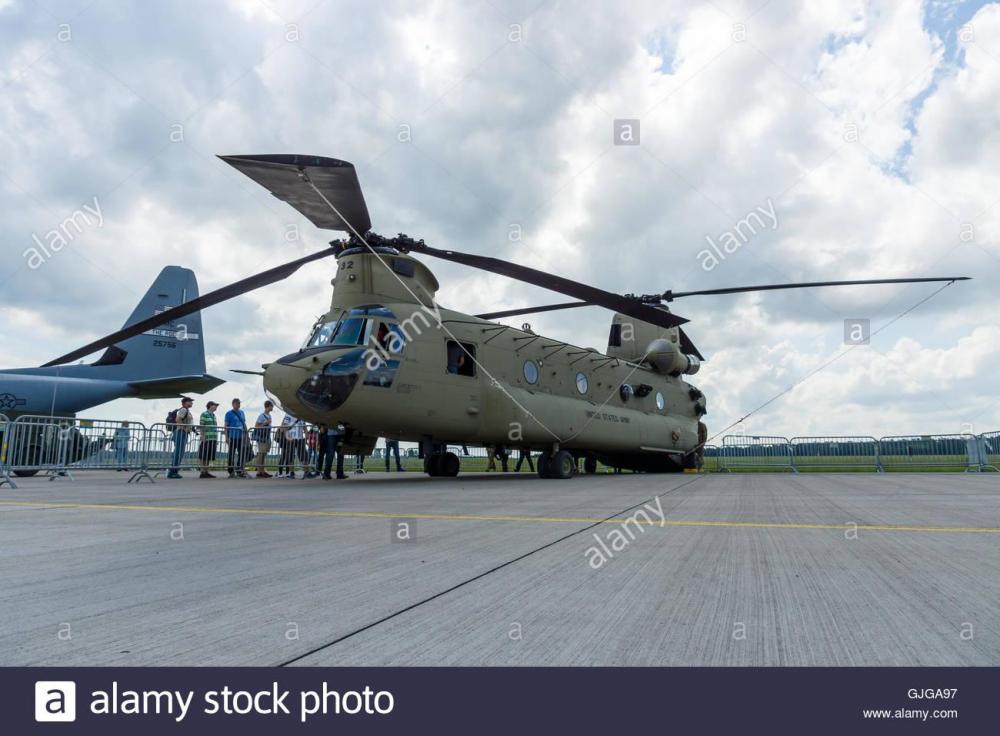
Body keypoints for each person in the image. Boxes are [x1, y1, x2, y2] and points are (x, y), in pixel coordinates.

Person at [167, 396, 195, 479]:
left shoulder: (186, 410)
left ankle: (174, 471)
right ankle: (172, 472)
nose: (191, 403)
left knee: (180, 453)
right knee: (178, 453)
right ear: (185, 402)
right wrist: (184, 428)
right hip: (181, 433)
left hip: (183, 433)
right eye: (190, 401)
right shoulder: (183, 410)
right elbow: (178, 419)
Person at [224, 398, 249, 478]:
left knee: (241, 453)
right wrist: (226, 437)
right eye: (237, 403)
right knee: (231, 454)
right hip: (232, 436)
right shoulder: (228, 413)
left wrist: (247, 434)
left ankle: (239, 469)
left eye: (239, 403)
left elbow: (244, 423)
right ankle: (231, 471)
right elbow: (226, 425)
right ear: (233, 404)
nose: (238, 405)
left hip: (241, 437)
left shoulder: (242, 412)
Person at [277, 413, 306, 478]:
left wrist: (306, 435)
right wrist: (287, 437)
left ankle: (306, 472)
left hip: (299, 438)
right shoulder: (288, 414)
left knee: (303, 455)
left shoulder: (301, 415)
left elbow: (304, 425)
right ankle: (289, 472)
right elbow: (284, 426)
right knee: (289, 456)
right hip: (291, 439)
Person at [198, 401, 220, 479]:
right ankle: (202, 472)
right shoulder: (204, 414)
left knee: (208, 456)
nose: (216, 407)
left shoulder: (213, 415)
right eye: (215, 405)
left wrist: (216, 439)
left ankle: (206, 471)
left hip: (213, 438)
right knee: (204, 455)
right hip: (207, 438)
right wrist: (202, 435)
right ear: (210, 406)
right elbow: (201, 425)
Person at [253, 400, 274, 478]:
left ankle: (262, 470)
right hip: (262, 437)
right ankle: (259, 471)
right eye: (272, 406)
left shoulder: (269, 415)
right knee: (261, 453)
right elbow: (256, 426)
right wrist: (266, 423)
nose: (272, 408)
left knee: (264, 454)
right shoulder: (261, 416)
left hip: (266, 436)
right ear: (268, 406)